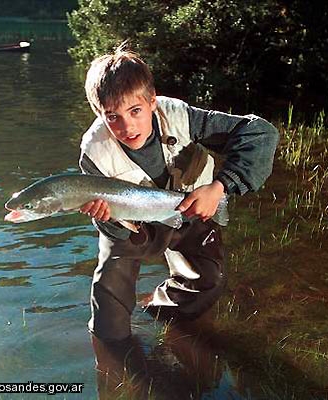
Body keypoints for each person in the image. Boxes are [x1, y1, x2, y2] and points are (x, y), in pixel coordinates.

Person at [78, 45, 279, 347]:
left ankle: (159, 311)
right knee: (109, 315)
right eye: (112, 117)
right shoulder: (93, 152)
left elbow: (260, 133)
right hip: (132, 227)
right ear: (99, 114)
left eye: (135, 111)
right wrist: (107, 220)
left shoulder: (179, 115)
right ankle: (112, 361)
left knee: (209, 280)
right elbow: (113, 229)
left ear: (152, 101)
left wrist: (219, 187)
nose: (127, 126)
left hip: (189, 210)